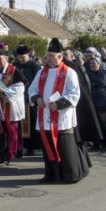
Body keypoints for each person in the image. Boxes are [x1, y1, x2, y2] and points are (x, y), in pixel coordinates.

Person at [29, 38, 89, 183]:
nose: (48, 58)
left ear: (60, 56)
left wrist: (59, 104)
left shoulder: (69, 72)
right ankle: (51, 175)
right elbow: (32, 89)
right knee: (48, 146)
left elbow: (74, 93)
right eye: (47, 55)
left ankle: (70, 175)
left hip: (62, 116)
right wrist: (36, 99)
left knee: (64, 147)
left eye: (51, 56)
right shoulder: (41, 72)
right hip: (45, 114)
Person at [13, 44, 42, 157]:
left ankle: (31, 148)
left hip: (30, 99)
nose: (21, 59)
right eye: (19, 57)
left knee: (31, 125)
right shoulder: (15, 65)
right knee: (18, 125)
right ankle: (19, 147)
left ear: (28, 55)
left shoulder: (34, 66)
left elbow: (38, 82)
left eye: (23, 57)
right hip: (16, 100)